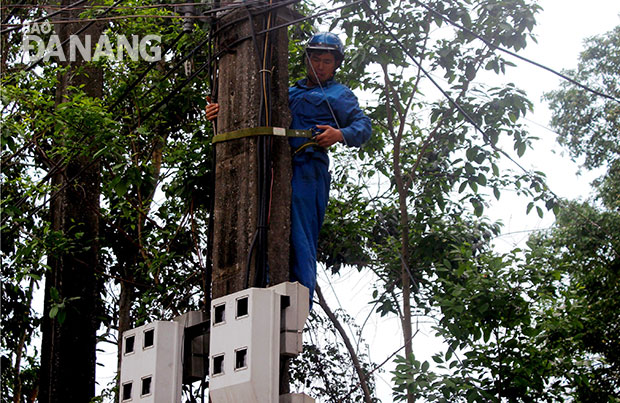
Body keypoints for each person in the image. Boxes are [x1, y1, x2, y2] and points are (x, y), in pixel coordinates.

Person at [206, 32, 371, 305]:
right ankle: (261, 297)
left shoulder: (339, 95)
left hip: (308, 170)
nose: (319, 66)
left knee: (301, 238)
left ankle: (297, 310)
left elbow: (364, 127)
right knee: (262, 229)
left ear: (336, 64)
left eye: (326, 61)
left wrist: (339, 134)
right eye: (315, 59)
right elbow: (252, 113)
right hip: (269, 167)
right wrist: (220, 111)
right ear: (307, 59)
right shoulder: (287, 91)